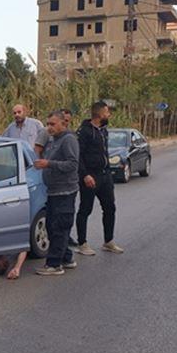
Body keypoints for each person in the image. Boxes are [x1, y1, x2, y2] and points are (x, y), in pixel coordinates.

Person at [74, 101, 124, 255]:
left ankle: (108, 241)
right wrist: (85, 175)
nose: (109, 115)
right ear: (100, 114)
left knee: (110, 208)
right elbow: (78, 156)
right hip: (90, 176)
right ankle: (82, 244)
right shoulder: (84, 132)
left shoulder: (103, 130)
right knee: (85, 210)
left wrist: (108, 171)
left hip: (105, 175)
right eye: (107, 112)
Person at [33, 110, 79, 275]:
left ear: (63, 124)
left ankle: (54, 265)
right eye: (48, 124)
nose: (49, 128)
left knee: (59, 227)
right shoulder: (53, 140)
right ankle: (66, 258)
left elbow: (72, 165)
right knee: (53, 227)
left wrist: (49, 164)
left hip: (64, 191)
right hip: (53, 191)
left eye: (53, 124)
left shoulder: (69, 140)